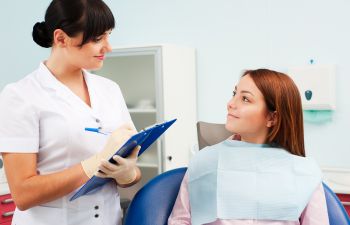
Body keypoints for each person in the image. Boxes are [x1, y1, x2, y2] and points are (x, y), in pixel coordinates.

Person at [0, 0, 141, 224]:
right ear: (61, 38)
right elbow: (23, 194)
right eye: (97, 39)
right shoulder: (21, 95)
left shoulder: (110, 90)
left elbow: (129, 172)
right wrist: (93, 163)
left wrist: (128, 174)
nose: (108, 47)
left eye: (108, 35)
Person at [168, 69, 329, 225]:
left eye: (245, 99)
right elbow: (180, 221)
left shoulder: (304, 173)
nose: (230, 104)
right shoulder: (205, 161)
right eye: (234, 94)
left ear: (272, 117)